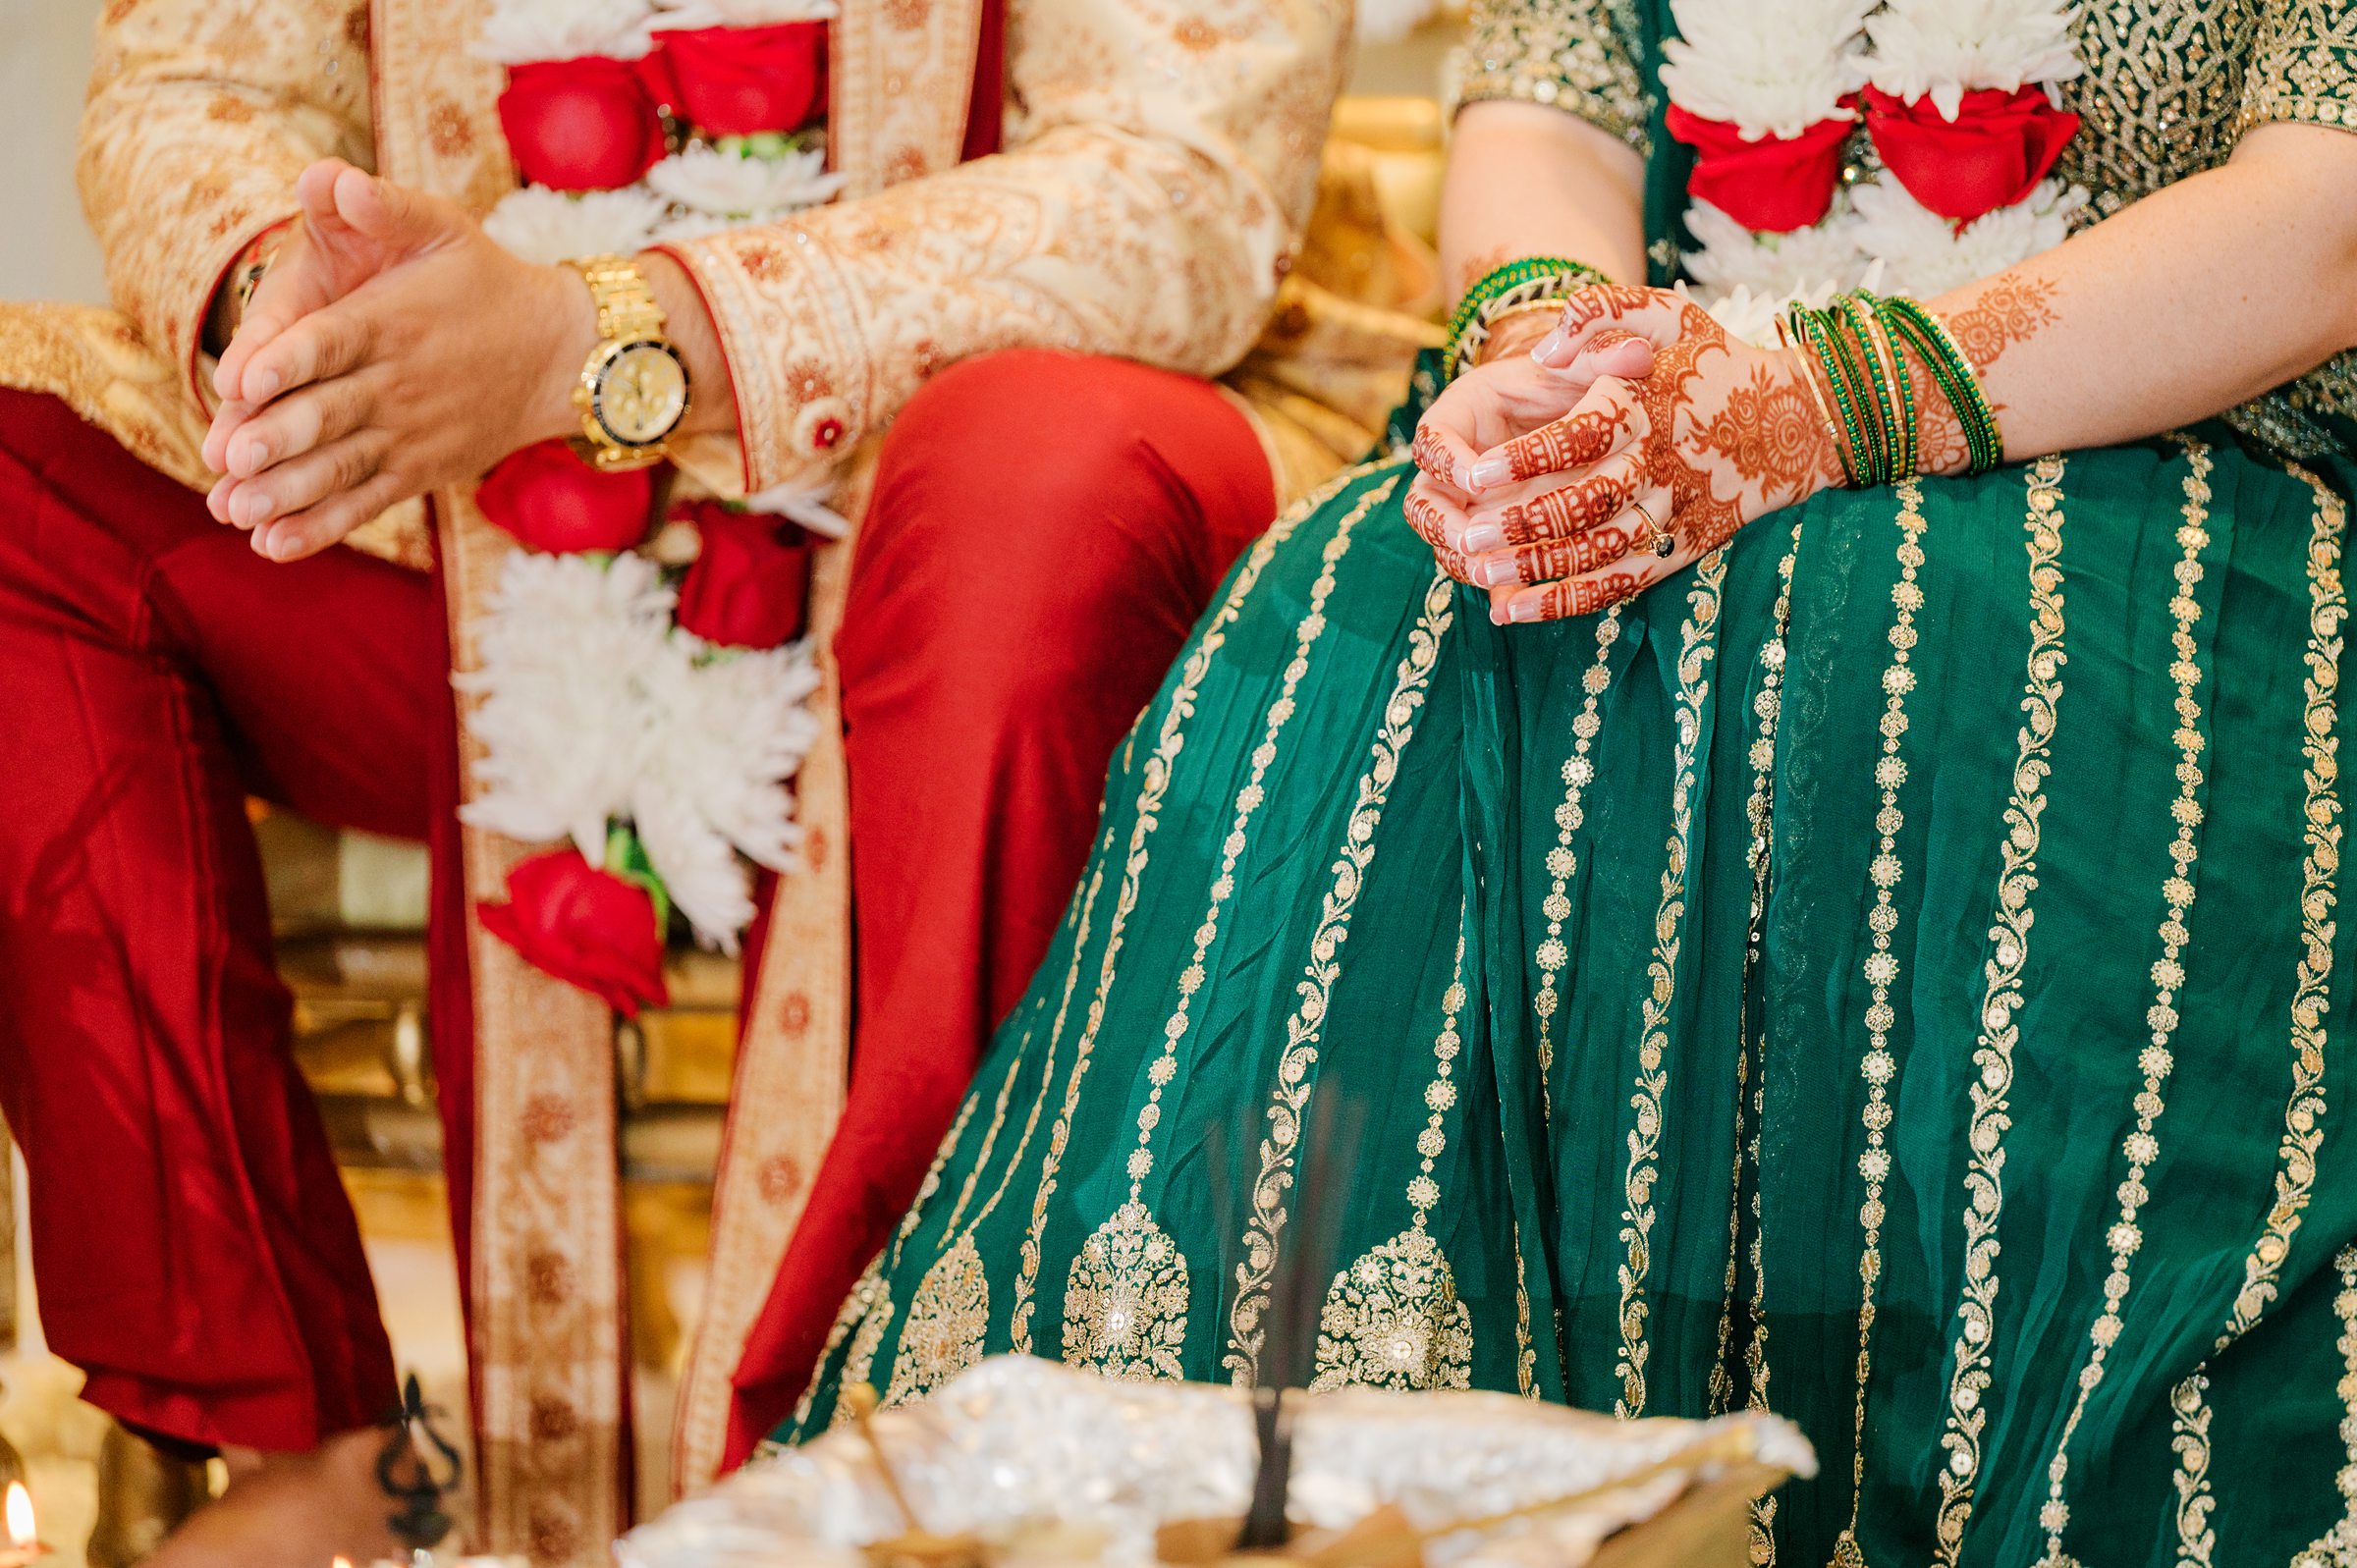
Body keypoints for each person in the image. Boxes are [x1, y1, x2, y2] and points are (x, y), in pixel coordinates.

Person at [778, 0, 2357, 1560]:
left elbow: (2323, 215)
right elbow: (1547, 115)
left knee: (1929, 639)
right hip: (1671, 446)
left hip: (2165, 464)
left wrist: (1819, 407)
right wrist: (1548, 370)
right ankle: (1272, 1508)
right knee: (1372, 601)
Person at [0, 0, 1374, 1561]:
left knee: (1031, 486)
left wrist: (617, 338)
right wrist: (296, 304)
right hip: (446, 529)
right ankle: (310, 1454)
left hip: (954, 521)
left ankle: (901, 1439)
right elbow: (196, 84)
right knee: (13, 478)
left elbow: (1178, 176)